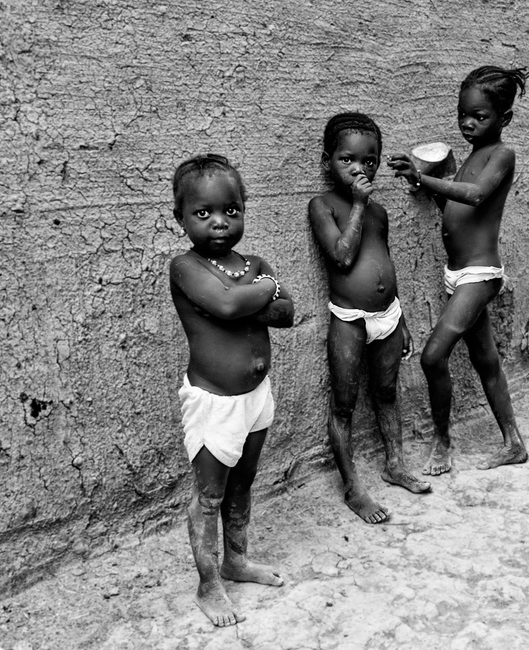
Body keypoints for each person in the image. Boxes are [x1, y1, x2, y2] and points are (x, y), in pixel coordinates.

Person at [386, 65, 529, 476]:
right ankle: (513, 443)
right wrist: (422, 184)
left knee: (433, 357)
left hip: (479, 274)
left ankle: (443, 442)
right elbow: (453, 207)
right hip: (456, 275)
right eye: (462, 114)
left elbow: (476, 195)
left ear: (505, 120)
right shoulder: (469, 158)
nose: (468, 123)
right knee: (485, 359)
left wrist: (427, 180)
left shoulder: (502, 155)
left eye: (480, 117)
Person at [169, 154, 292, 626]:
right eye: (203, 213)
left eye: (231, 210)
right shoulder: (185, 266)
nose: (219, 222)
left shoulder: (254, 263)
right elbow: (223, 305)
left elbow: (287, 313)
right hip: (215, 402)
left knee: (244, 482)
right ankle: (207, 586)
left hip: (256, 396)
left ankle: (235, 561)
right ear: (179, 217)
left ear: (243, 209)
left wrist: (253, 296)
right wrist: (261, 292)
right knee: (210, 495)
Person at [308, 112, 432, 524]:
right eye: (348, 160)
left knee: (386, 393)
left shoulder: (378, 212)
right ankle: (352, 488)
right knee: (344, 404)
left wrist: (403, 318)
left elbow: (384, 261)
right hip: (350, 319)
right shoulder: (323, 205)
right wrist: (358, 205)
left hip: (389, 316)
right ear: (328, 161)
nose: (360, 168)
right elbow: (342, 257)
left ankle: (394, 464)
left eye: (370, 161)